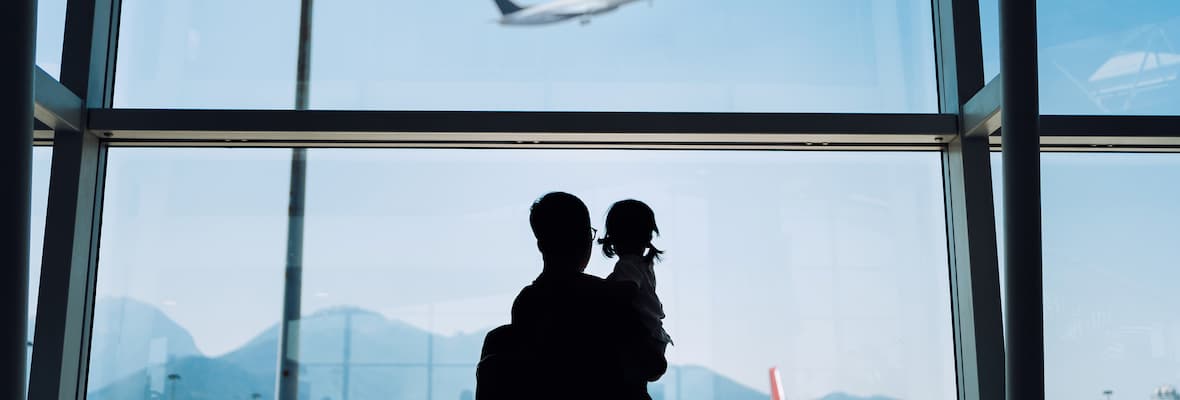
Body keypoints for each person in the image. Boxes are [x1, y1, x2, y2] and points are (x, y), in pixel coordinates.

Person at [476, 192, 666, 400]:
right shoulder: (610, 298)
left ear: (541, 244)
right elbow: (654, 366)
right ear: (585, 238)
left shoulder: (527, 303)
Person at [600, 199, 673, 354]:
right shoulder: (645, 265)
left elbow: (626, 291)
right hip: (655, 335)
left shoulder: (627, 265)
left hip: (644, 337)